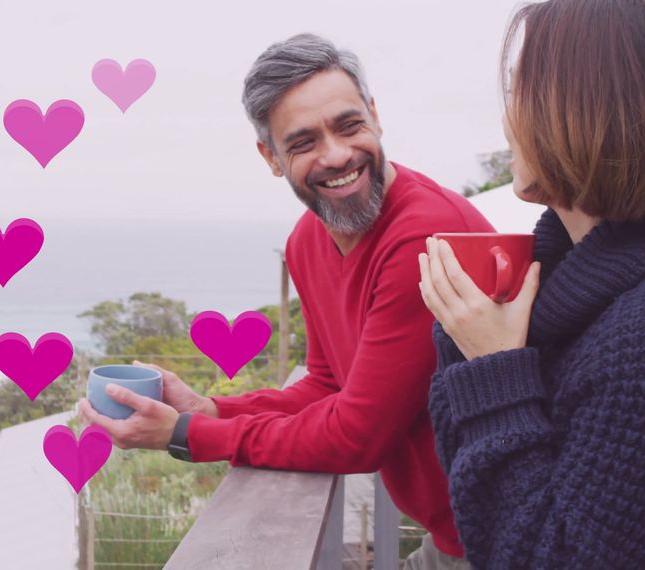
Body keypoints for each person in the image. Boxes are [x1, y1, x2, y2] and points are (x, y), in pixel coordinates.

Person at [78, 33, 493, 568]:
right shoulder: (307, 239)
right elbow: (326, 385)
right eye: (303, 143)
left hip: (506, 537)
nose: (337, 155)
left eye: (349, 125)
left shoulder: (424, 235)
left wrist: (188, 434)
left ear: (375, 115)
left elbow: (357, 436)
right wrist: (211, 409)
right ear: (271, 158)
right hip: (454, 532)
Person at [418, 1, 645, 567]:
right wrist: (471, 341)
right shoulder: (566, 290)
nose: (507, 122)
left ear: (583, 110)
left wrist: (495, 368)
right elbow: (475, 490)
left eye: (521, 91)